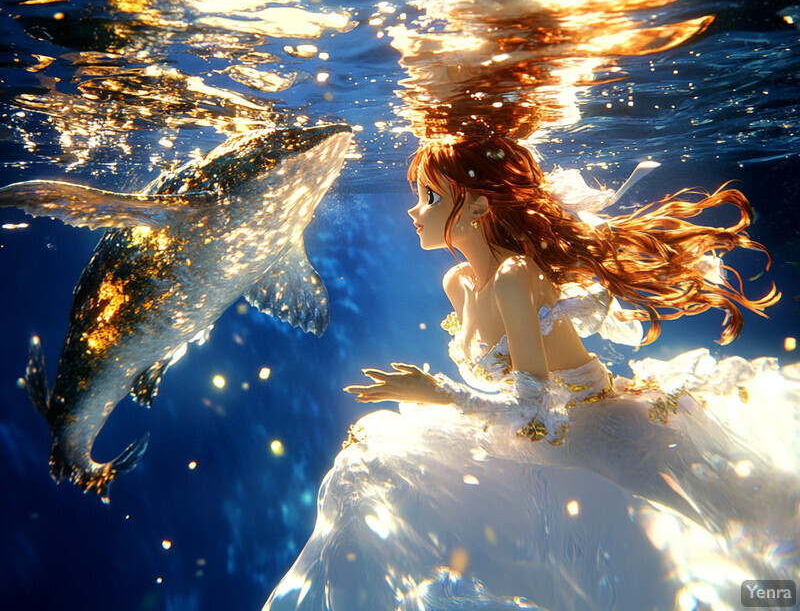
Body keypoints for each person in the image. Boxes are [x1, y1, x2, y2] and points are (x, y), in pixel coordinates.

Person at [264, 135, 798, 611]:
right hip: (535, 438)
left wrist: (438, 393)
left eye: (430, 196)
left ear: (475, 204)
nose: (414, 211)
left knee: (704, 566)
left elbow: (534, 410)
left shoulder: (516, 277)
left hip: (593, 431)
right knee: (373, 475)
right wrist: (438, 397)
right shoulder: (458, 282)